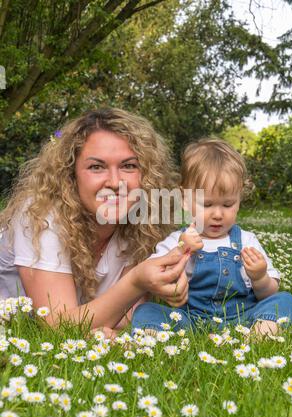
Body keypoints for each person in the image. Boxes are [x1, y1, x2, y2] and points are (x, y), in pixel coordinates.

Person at [0, 108, 190, 334]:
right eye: (96, 167)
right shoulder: (39, 215)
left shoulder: (140, 223)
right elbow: (59, 326)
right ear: (71, 175)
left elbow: (126, 317)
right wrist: (137, 281)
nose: (115, 181)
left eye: (129, 165)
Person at [131, 138, 292, 338]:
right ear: (184, 199)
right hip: (191, 319)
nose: (218, 214)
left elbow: (268, 294)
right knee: (146, 310)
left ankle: (258, 333)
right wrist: (181, 251)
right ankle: (151, 335)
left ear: (239, 200)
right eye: (207, 204)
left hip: (243, 317)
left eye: (227, 204)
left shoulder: (247, 240)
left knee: (286, 300)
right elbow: (155, 275)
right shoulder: (177, 239)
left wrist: (260, 277)